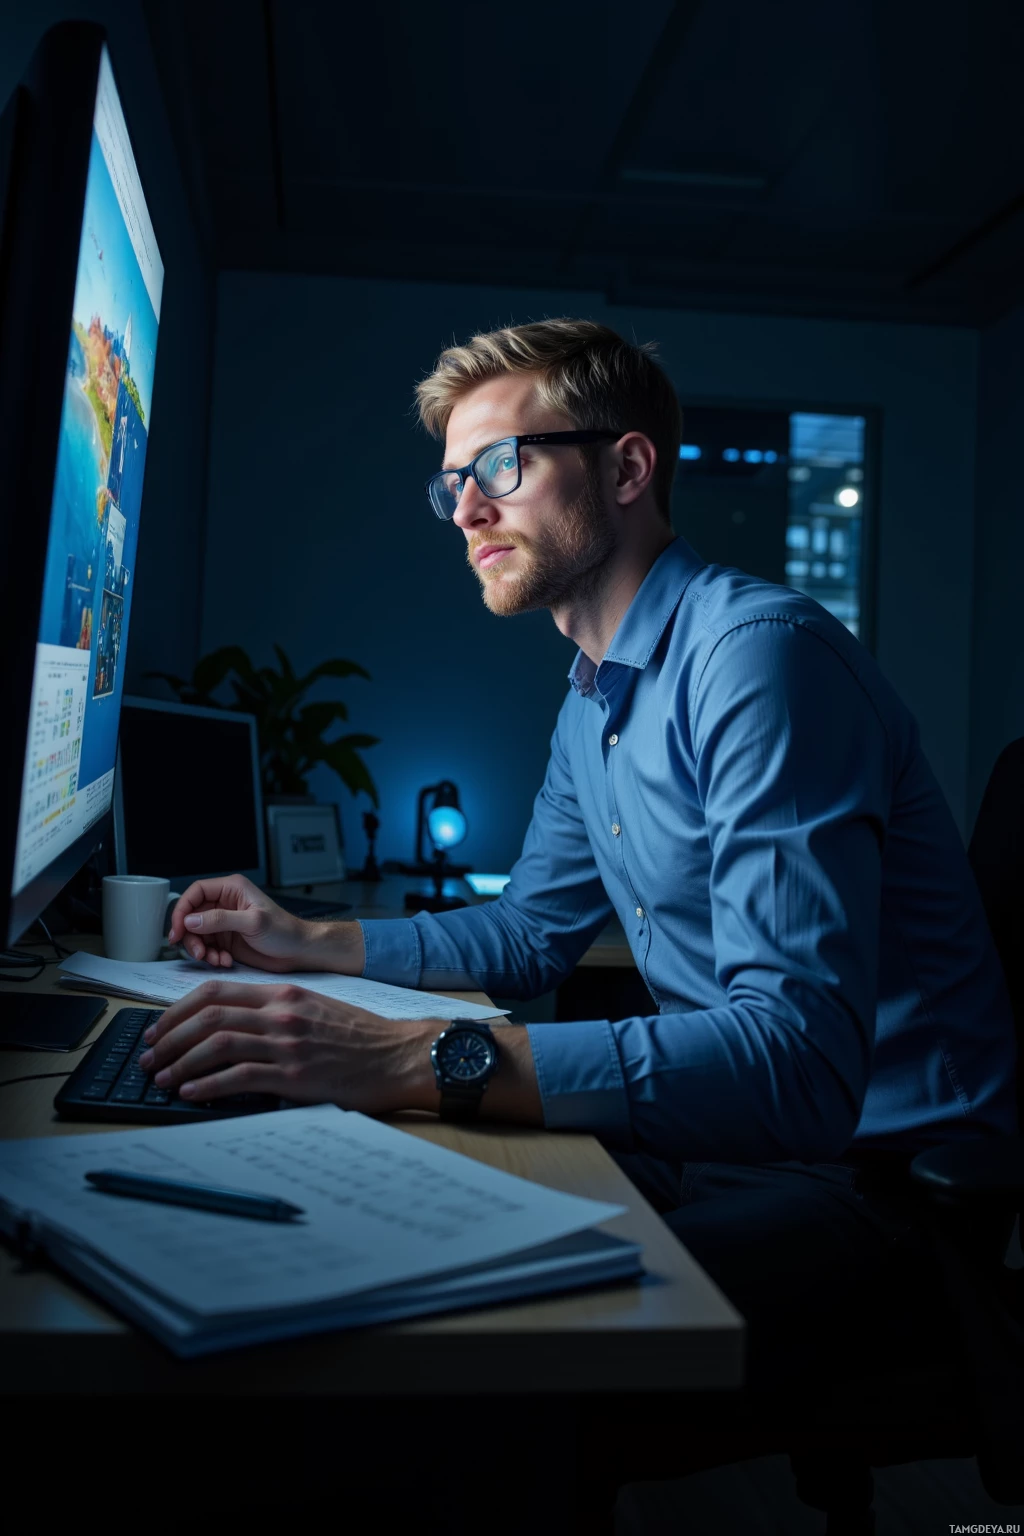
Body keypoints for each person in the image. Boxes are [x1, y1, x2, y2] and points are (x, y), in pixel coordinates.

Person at [150, 318, 1016, 1404]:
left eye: (499, 467)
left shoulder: (758, 662)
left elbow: (795, 1068)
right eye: (452, 483)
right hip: (731, 1143)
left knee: (448, 1324)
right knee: (383, 1204)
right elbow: (526, 933)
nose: (465, 510)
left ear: (627, 468)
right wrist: (309, 939)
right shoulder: (591, 699)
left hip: (874, 1187)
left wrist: (404, 1054)